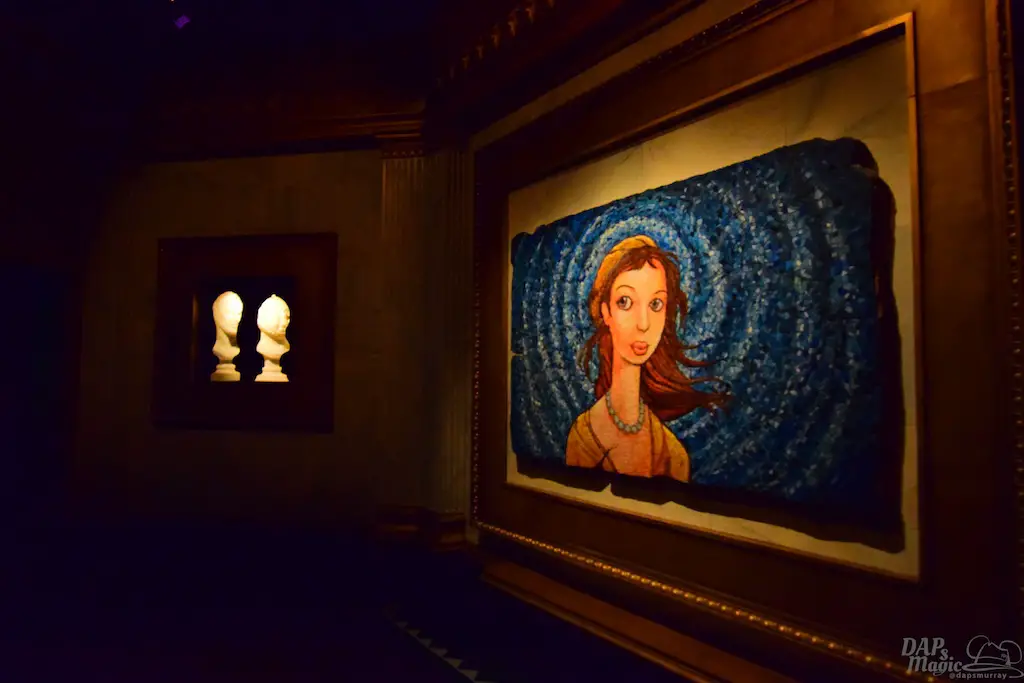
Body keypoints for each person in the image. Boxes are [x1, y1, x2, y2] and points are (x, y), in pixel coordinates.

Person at [565, 235, 729, 482]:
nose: (643, 324)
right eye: (625, 302)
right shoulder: (585, 438)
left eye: (656, 304)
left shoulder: (673, 454)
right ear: (606, 312)